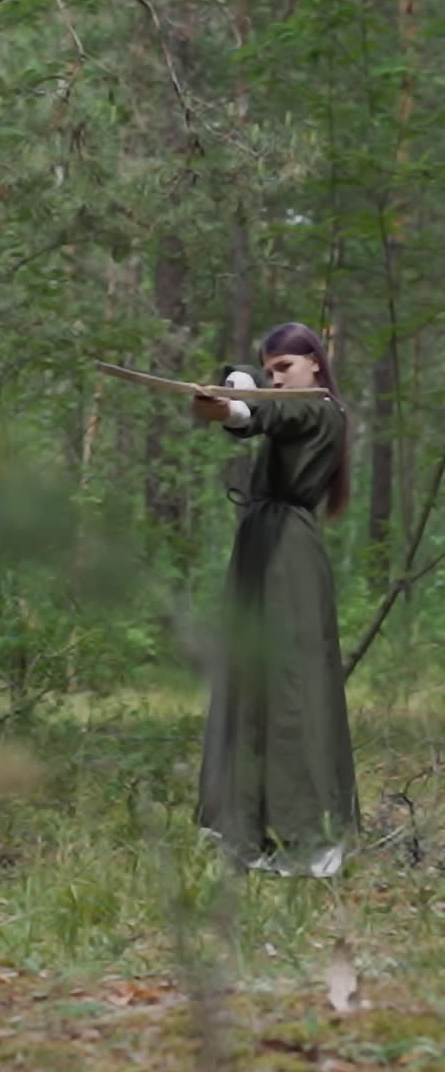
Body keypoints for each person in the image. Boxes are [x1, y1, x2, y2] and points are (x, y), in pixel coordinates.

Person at [192, 321, 359, 877]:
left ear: (315, 361)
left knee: (292, 688)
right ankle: (246, 830)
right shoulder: (295, 403)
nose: (277, 379)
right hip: (262, 547)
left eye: (284, 367)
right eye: (269, 371)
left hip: (289, 558)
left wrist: (238, 406)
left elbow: (270, 414)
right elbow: (254, 409)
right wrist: (235, 391)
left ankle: (306, 837)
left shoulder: (320, 408)